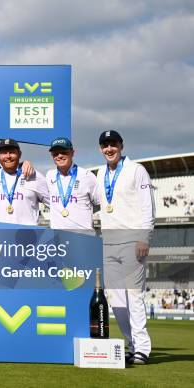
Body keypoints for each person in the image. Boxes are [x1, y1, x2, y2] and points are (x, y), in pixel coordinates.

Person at [96, 130, 155, 365]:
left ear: (121, 146)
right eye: (104, 145)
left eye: (113, 144)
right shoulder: (100, 173)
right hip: (108, 242)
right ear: (101, 149)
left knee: (134, 296)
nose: (109, 149)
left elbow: (147, 207)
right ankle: (130, 344)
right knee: (117, 300)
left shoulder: (136, 170)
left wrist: (144, 237)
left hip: (132, 241)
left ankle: (142, 347)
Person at [0, 139, 49, 225]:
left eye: (12, 152)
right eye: (4, 153)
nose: (8, 156)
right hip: (0, 235)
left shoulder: (35, 176)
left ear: (19, 154)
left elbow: (55, 205)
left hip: (28, 235)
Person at [45, 137, 99, 230]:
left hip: (82, 237)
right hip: (58, 238)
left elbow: (99, 203)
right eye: (55, 153)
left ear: (72, 153)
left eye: (64, 152)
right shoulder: (49, 175)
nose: (59, 155)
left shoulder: (87, 176)